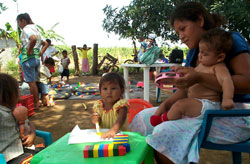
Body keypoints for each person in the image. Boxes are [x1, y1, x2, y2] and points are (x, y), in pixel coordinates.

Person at [129, 2, 250, 164]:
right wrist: (169, 100)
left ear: (200, 20)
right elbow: (188, 88)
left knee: (165, 131)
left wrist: (199, 78)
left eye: (183, 28)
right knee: (142, 118)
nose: (181, 37)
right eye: (178, 32)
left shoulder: (229, 40)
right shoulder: (195, 52)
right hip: (201, 110)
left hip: (235, 116)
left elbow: (247, 81)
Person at [150, 28, 235, 126]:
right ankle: (165, 117)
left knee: (180, 105)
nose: (200, 56)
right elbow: (193, 75)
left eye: (205, 54)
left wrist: (227, 99)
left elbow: (226, 81)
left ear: (220, 57)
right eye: (200, 52)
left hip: (208, 104)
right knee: (180, 104)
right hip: (197, 102)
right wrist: (179, 71)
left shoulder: (218, 67)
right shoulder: (202, 65)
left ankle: (164, 120)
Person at [0, 73, 36, 163]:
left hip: (22, 151)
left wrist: (32, 134)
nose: (19, 94)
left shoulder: (16, 110)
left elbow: (30, 123)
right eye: (17, 91)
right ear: (9, 94)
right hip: (7, 158)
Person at [17, 13, 48, 110]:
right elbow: (45, 43)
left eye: (19, 22)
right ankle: (39, 101)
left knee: (31, 83)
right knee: (36, 81)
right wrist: (40, 53)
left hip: (28, 58)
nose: (19, 25)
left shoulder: (26, 29)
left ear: (23, 20)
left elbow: (33, 39)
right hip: (36, 59)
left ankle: (36, 104)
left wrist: (29, 50)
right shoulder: (36, 29)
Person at [91, 72, 129, 139]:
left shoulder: (121, 105)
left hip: (121, 137)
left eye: (113, 88)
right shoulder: (98, 106)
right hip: (104, 137)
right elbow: (97, 123)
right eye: (105, 89)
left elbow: (121, 120)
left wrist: (113, 130)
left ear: (122, 91)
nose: (109, 92)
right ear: (100, 91)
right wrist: (95, 120)